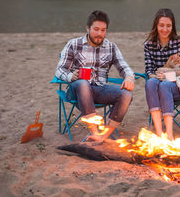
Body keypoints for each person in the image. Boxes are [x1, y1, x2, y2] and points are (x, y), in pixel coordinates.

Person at [55, 10, 135, 142]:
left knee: (126, 94)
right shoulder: (74, 44)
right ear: (88, 28)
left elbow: (124, 67)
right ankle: (94, 132)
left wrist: (129, 77)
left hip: (100, 89)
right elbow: (59, 70)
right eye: (96, 29)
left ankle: (104, 135)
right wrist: (71, 76)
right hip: (77, 89)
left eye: (103, 30)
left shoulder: (111, 47)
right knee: (83, 83)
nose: (99, 34)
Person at [144, 8, 180, 140]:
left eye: (168, 26)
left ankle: (169, 136)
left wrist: (170, 72)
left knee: (165, 85)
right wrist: (162, 72)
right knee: (150, 83)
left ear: (173, 27)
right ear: (156, 26)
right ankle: (158, 133)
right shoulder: (149, 45)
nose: (165, 29)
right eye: (161, 25)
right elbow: (149, 71)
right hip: (158, 81)